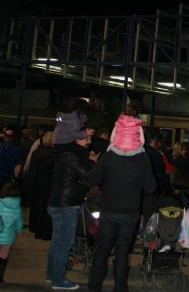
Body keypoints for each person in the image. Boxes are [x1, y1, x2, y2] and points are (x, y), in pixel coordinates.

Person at [87, 108, 156, 292]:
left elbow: (93, 179)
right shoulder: (143, 158)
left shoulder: (109, 156)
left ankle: (94, 287)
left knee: (102, 250)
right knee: (122, 253)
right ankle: (120, 287)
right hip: (130, 213)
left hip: (109, 210)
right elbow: (151, 188)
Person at [47, 110, 93, 291]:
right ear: (75, 139)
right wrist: (93, 164)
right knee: (64, 242)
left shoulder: (62, 153)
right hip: (67, 204)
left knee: (57, 241)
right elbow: (87, 176)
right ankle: (58, 279)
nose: (88, 142)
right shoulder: (73, 155)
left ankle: (52, 275)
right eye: (85, 138)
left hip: (57, 201)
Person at [27, 130, 55, 240]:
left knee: (35, 207)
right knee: (45, 211)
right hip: (48, 186)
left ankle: (33, 227)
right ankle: (43, 232)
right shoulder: (55, 155)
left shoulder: (36, 153)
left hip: (37, 184)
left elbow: (32, 171)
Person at [0, 181, 23, 286]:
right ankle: (0, 278)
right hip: (8, 238)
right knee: (3, 256)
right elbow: (19, 223)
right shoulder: (17, 208)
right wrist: (19, 231)